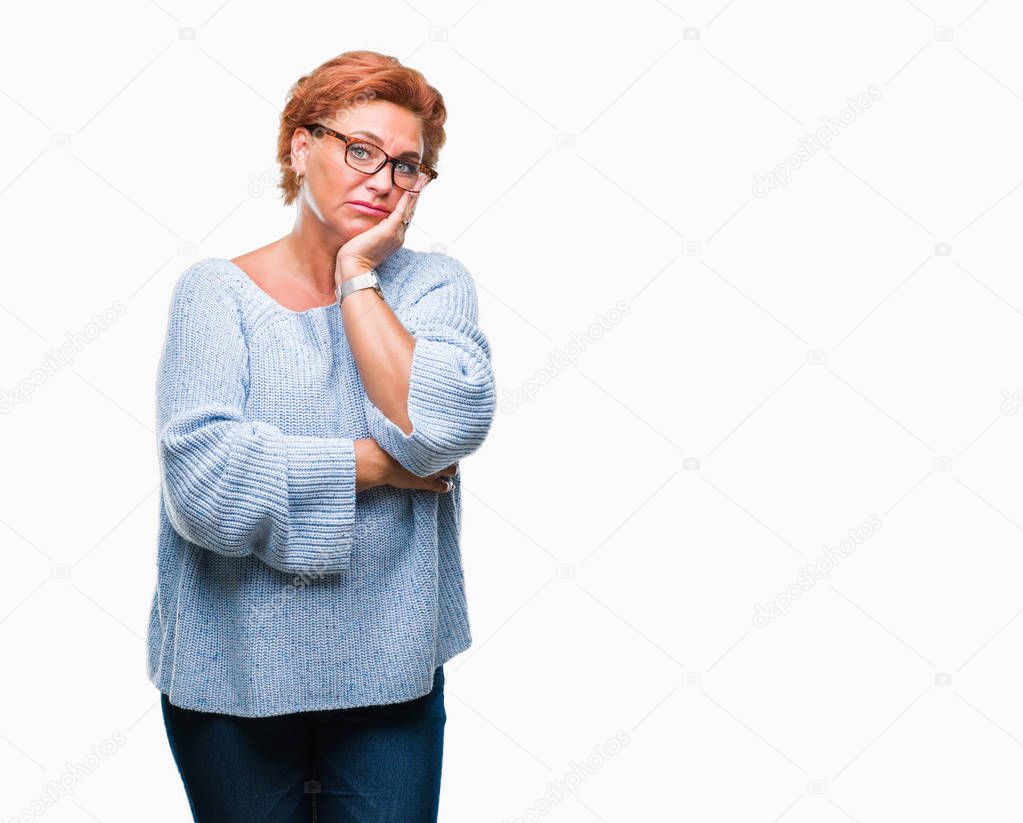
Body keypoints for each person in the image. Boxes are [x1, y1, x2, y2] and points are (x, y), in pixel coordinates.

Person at [146, 49, 497, 821]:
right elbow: (205, 486)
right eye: (361, 149)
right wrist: (374, 465)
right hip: (231, 674)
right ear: (300, 147)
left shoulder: (436, 287)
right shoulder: (216, 293)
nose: (384, 179)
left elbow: (438, 432)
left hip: (389, 674)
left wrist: (355, 279)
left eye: (408, 166)